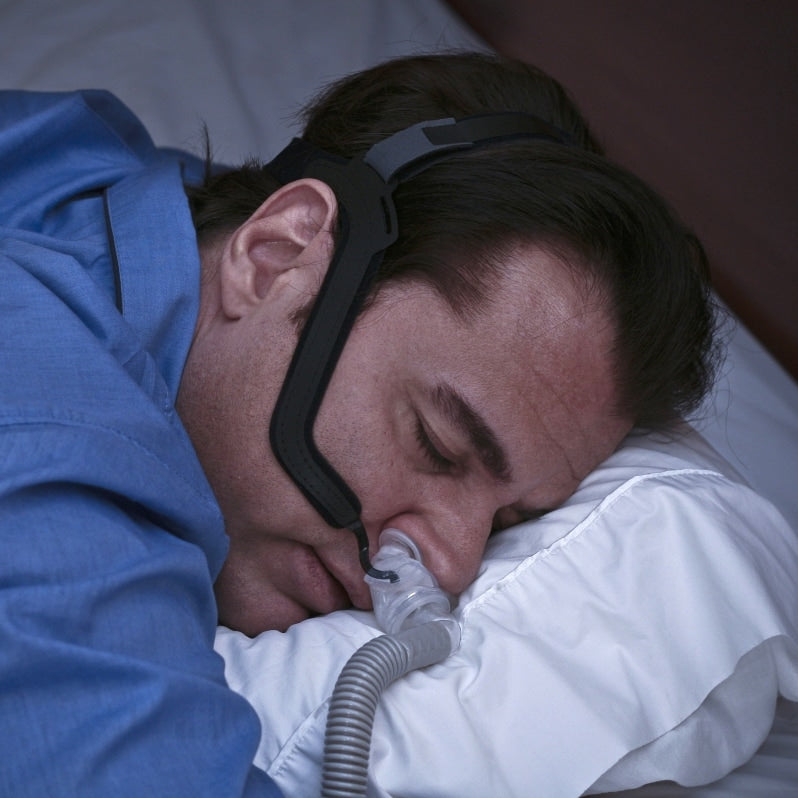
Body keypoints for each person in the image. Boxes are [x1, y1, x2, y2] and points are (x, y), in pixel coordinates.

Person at [0, 53, 716, 796]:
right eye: (435, 444)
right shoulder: (46, 439)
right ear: (276, 255)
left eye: (507, 519)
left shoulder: (81, 163)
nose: (448, 565)